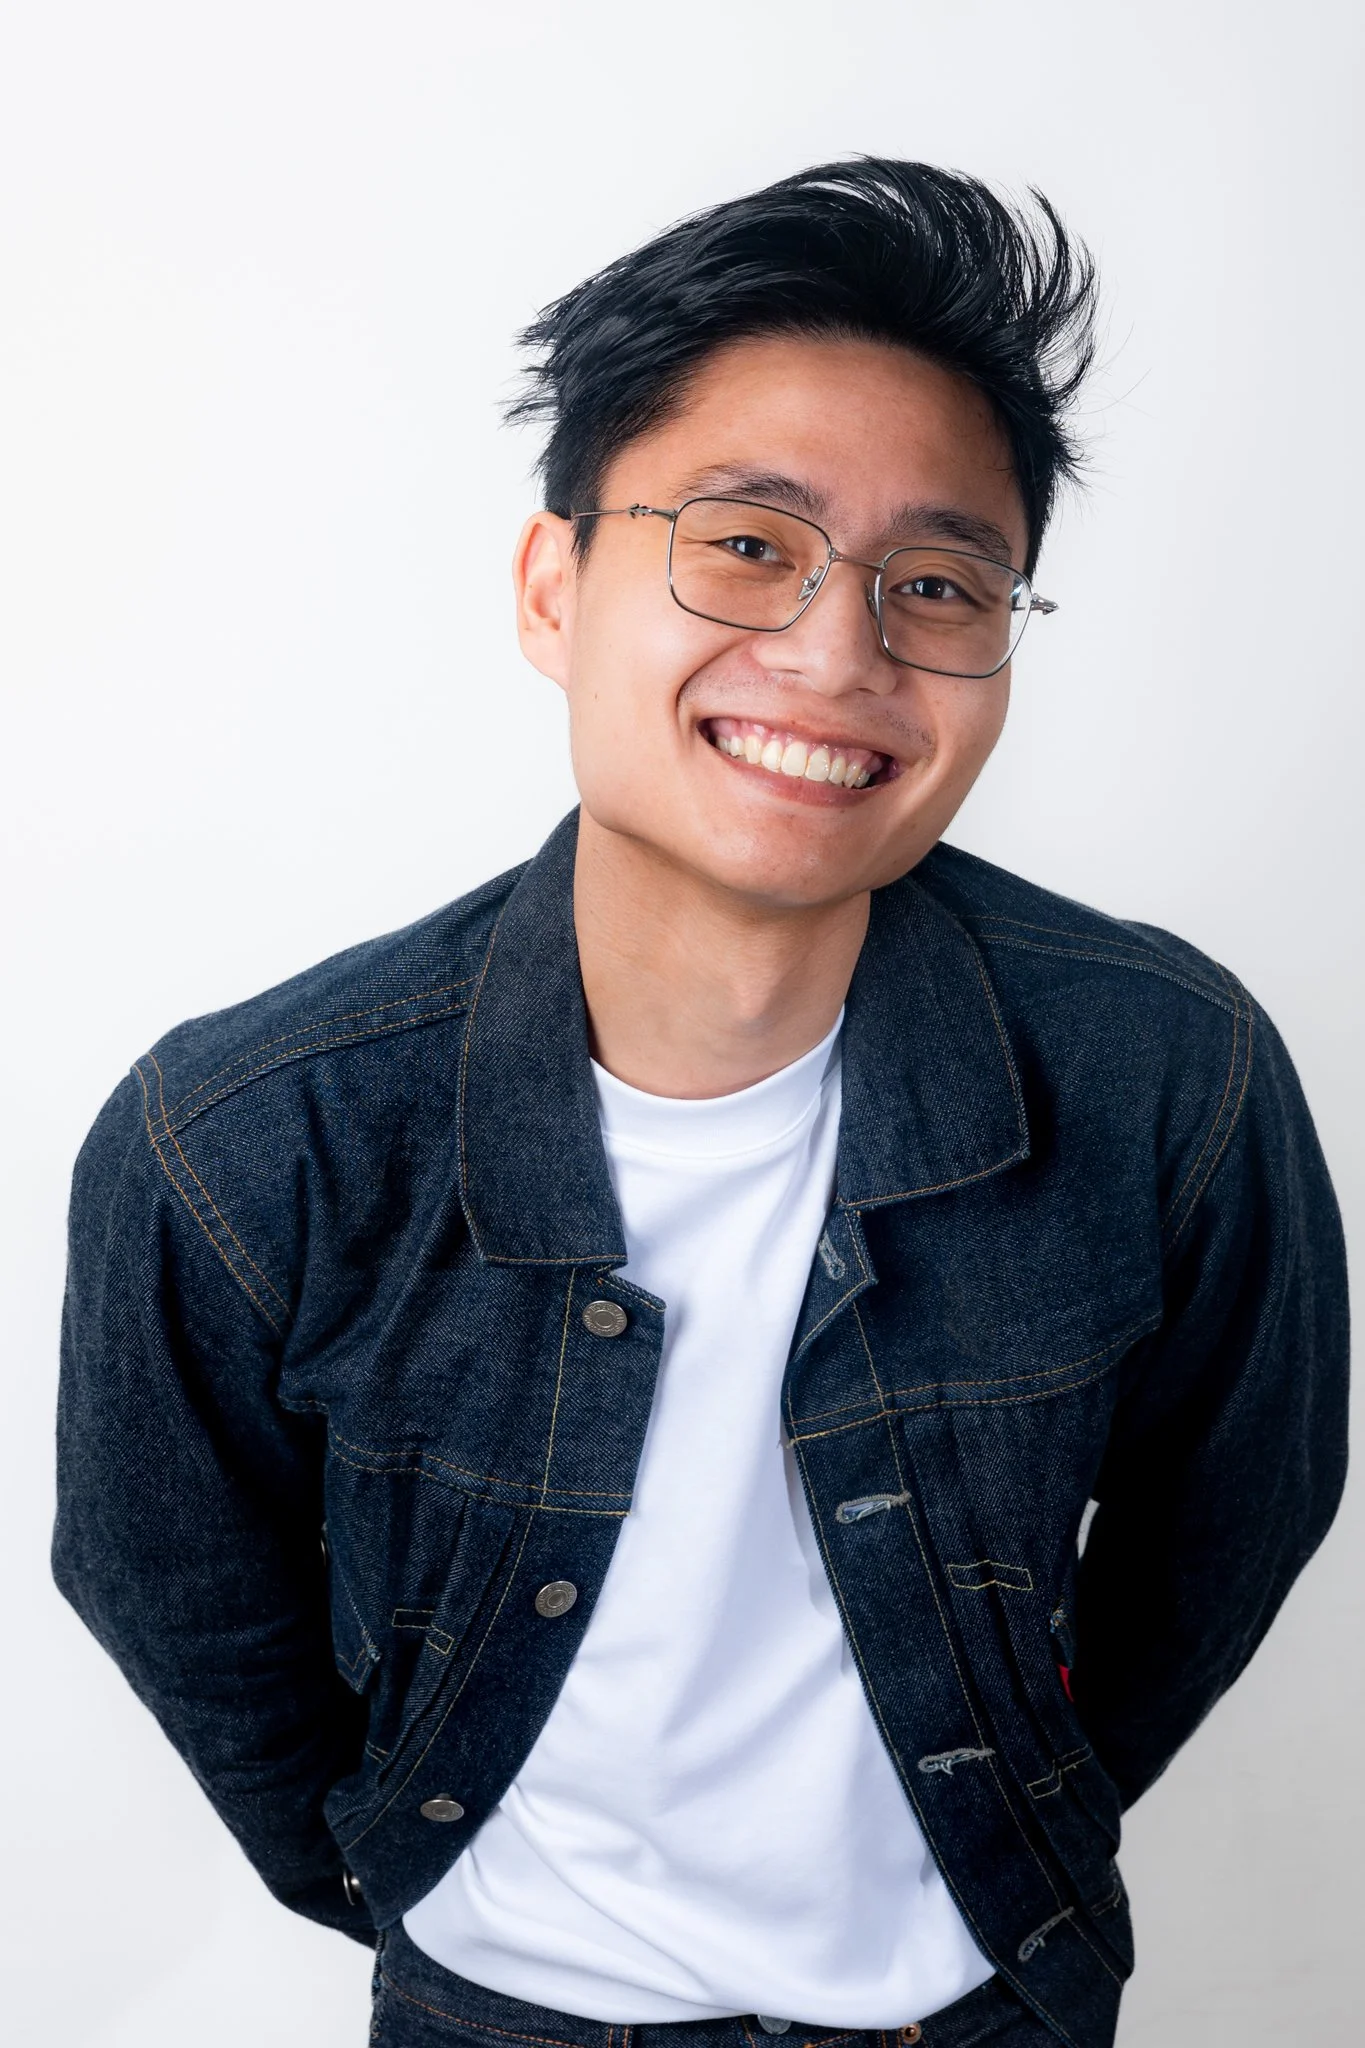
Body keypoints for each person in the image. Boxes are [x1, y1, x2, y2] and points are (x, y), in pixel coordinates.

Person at [52, 160, 1348, 2048]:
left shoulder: (1170, 1075)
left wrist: (1017, 1807)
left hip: (982, 2010)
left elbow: (1240, 1506)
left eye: (937, 581)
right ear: (554, 586)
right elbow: (167, 1576)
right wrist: (403, 1875)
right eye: (747, 544)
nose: (838, 653)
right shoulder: (249, 1137)